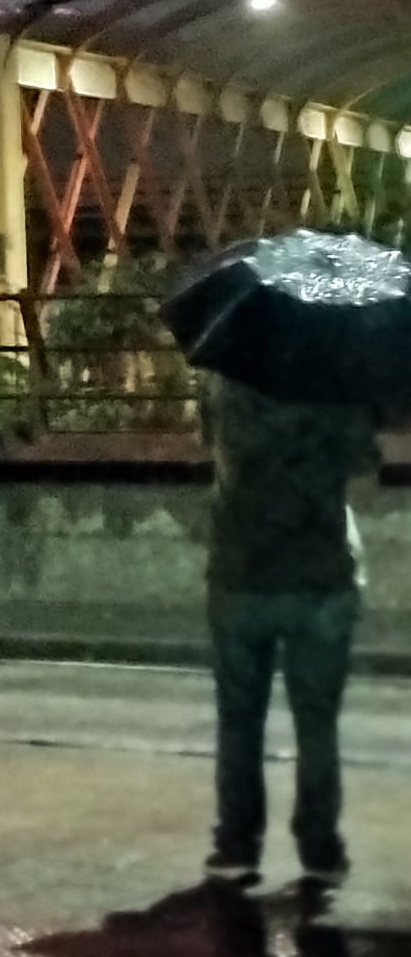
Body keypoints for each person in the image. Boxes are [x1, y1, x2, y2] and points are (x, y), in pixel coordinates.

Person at [202, 372, 379, 887]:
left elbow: (215, 450)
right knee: (317, 724)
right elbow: (364, 474)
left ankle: (237, 844)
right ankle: (320, 849)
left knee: (239, 719)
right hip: (318, 578)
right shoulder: (333, 380)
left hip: (240, 571)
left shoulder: (224, 378)